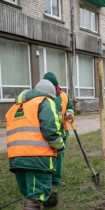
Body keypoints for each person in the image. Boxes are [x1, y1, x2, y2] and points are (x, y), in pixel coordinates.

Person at [5, 79, 65, 210]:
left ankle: (47, 200)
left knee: (30, 190)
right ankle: (39, 201)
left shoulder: (15, 107)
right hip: (37, 156)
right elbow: (50, 129)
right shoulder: (45, 101)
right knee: (36, 193)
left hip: (16, 157)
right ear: (50, 94)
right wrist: (59, 145)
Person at [43, 72, 74, 187]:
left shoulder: (64, 96)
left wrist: (69, 114)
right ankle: (47, 177)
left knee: (59, 156)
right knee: (47, 155)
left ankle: (56, 179)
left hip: (62, 132)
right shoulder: (43, 97)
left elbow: (70, 107)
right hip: (47, 132)